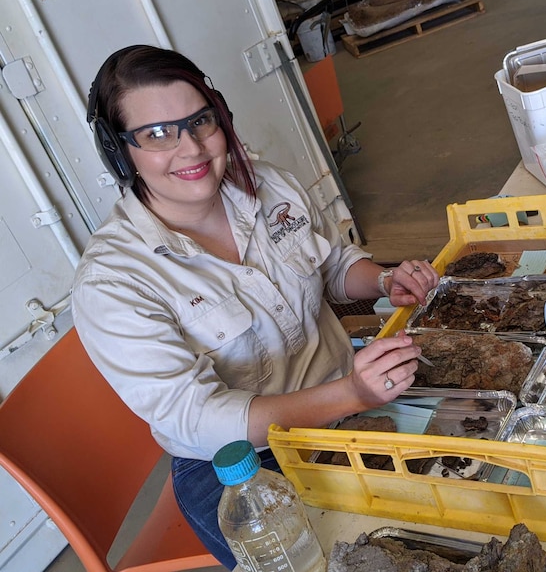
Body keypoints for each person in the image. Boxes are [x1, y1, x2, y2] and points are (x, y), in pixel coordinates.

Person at [71, 44, 439, 568]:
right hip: (243, 467)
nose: (192, 148)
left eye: (200, 121)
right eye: (157, 134)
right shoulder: (113, 281)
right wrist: (350, 393)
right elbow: (201, 419)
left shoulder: (266, 184)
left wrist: (383, 280)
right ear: (119, 151)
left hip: (350, 400)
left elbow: (334, 265)